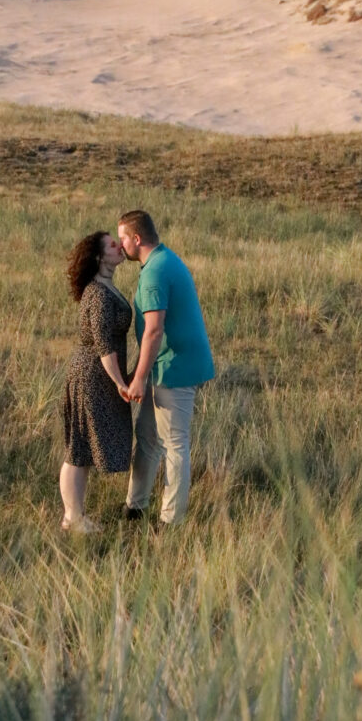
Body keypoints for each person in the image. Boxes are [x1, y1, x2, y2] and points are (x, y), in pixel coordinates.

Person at [117, 210, 215, 526]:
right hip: (162, 365)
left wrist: (139, 378)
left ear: (136, 239)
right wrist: (140, 372)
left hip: (176, 368)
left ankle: (171, 522)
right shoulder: (161, 261)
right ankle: (135, 507)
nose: (120, 246)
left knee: (174, 443)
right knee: (147, 436)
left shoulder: (156, 271)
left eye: (122, 239)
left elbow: (154, 330)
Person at [60, 231, 133, 533]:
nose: (120, 246)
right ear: (100, 257)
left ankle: (76, 516)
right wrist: (120, 383)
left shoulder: (105, 287)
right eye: (113, 245)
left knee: (84, 450)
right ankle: (72, 518)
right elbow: (104, 345)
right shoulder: (99, 294)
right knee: (78, 450)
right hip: (91, 377)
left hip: (97, 376)